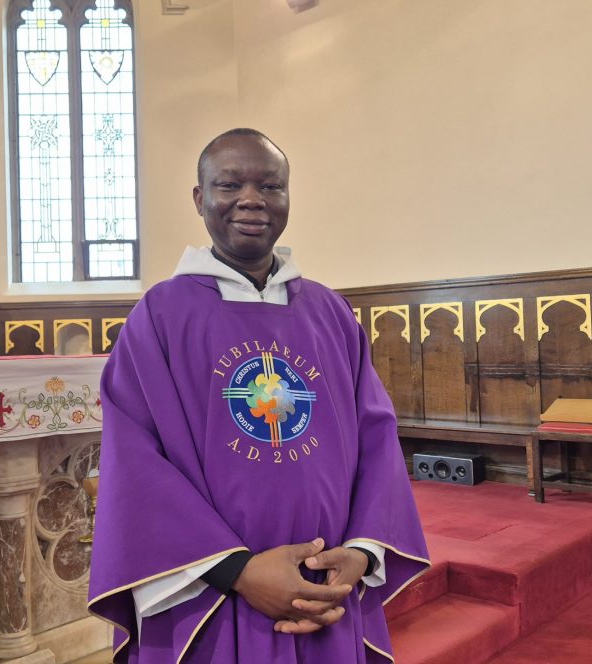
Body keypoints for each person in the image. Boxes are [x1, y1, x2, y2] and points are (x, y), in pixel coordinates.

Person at [88, 128, 429, 663]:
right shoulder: (159, 316)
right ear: (200, 199)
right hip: (213, 598)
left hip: (326, 587)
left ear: (288, 198)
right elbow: (134, 465)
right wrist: (239, 571)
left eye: (270, 186)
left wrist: (362, 551)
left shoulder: (330, 313)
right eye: (230, 185)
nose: (251, 199)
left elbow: (376, 436)